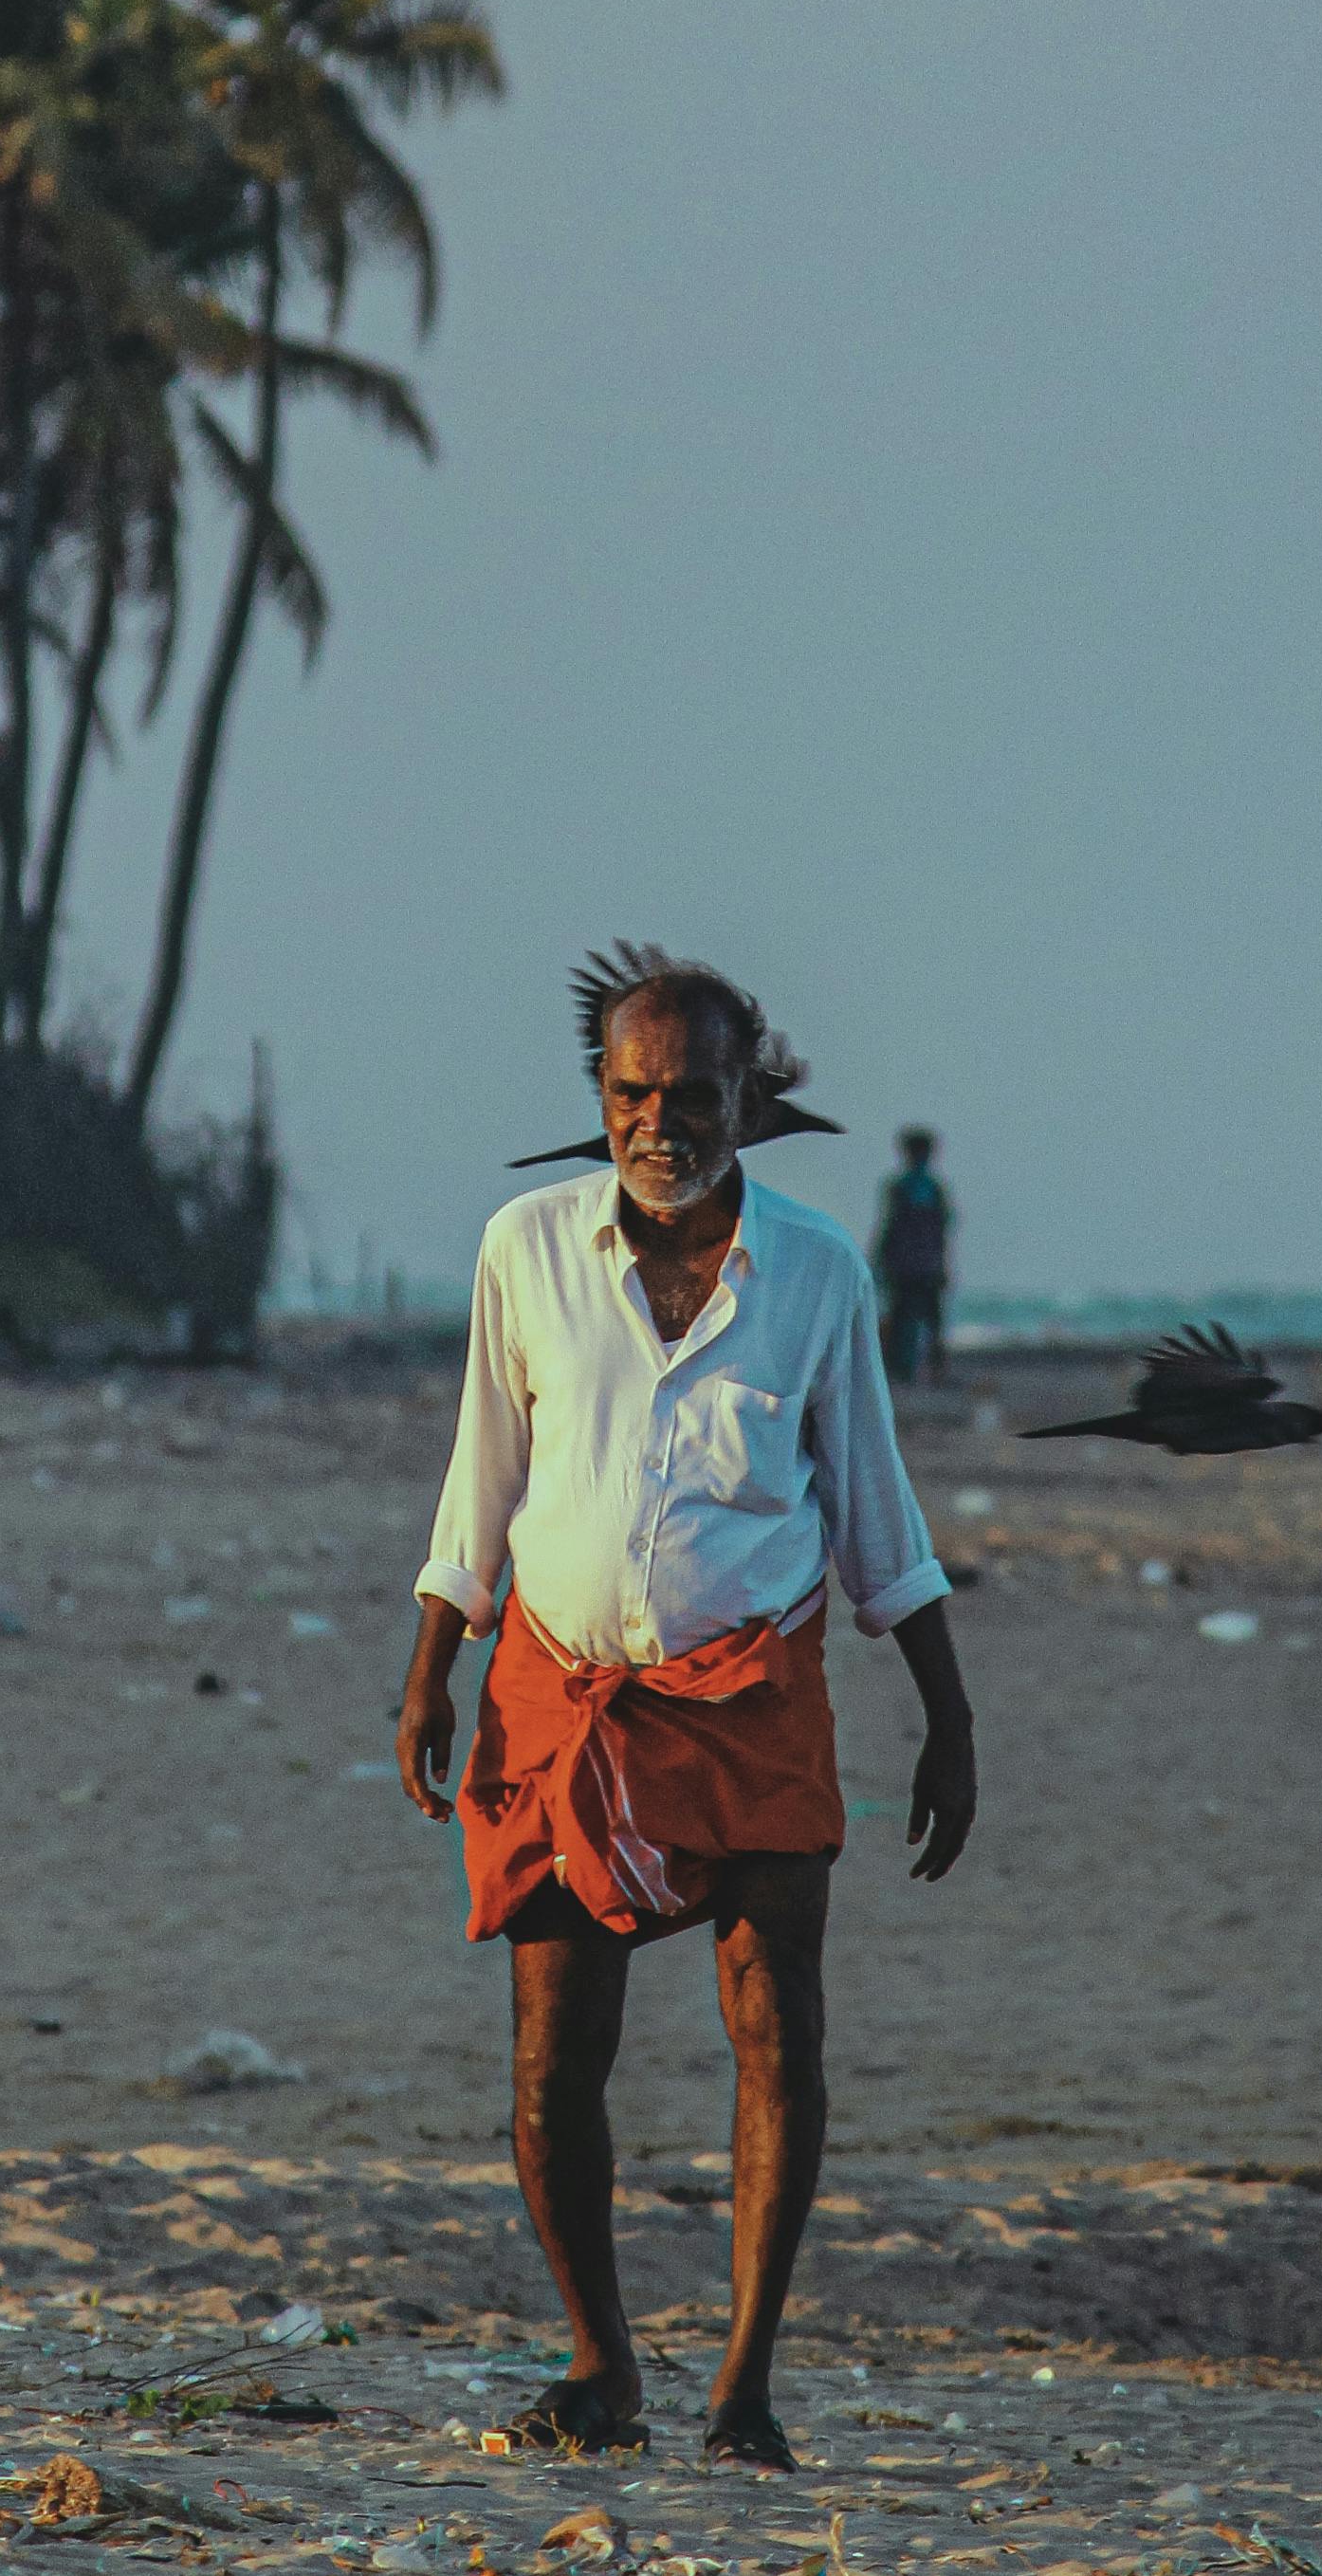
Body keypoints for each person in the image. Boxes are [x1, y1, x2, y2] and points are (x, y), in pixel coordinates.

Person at [395, 949, 978, 2465]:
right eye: (632, 1092)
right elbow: (483, 1476)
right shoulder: (521, 1248)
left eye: (695, 1094)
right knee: (547, 2060)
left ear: (749, 1098)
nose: (661, 1122)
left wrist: (946, 1715)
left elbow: (871, 1503)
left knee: (774, 2029)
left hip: (756, 1697)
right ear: (599, 1097)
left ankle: (742, 2389)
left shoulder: (817, 1274)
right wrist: (430, 1664)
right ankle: (600, 2366)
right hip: (554, 1697)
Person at [875, 1122, 954, 1390]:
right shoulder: (935, 1188)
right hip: (927, 1265)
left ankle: (905, 1371)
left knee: (903, 1319)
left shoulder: (900, 1186)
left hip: (904, 1265)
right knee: (932, 1321)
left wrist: (880, 1260)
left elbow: (889, 1227)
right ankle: (934, 1371)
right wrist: (943, 1264)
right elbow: (943, 1231)